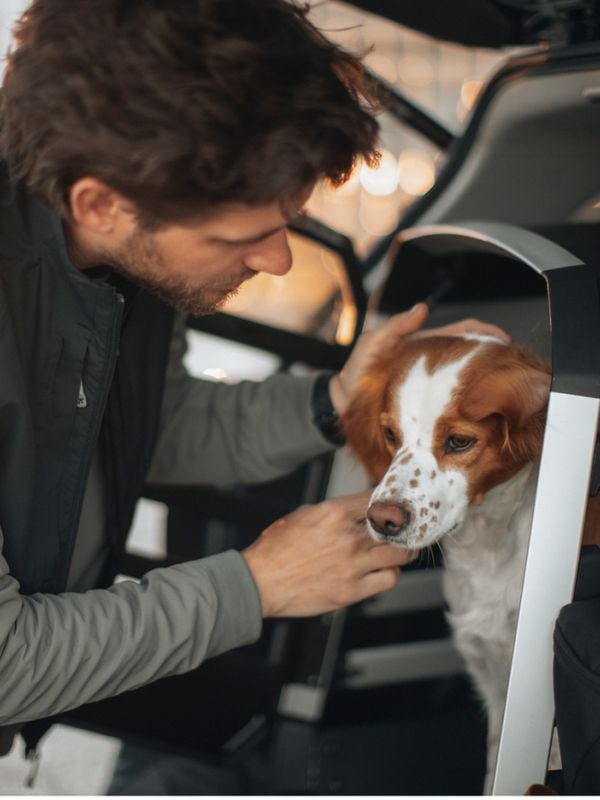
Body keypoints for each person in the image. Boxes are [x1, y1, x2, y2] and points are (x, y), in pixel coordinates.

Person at [0, 0, 505, 770]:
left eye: (287, 223)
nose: (277, 260)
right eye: (241, 236)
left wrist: (339, 398)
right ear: (99, 203)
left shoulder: (123, 259)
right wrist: (258, 585)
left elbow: (154, 431)